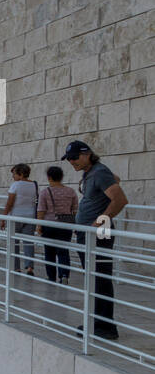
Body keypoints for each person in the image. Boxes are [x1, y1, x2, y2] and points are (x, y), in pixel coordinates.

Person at [64, 140, 127, 341]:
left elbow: (120, 200)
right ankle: (97, 321)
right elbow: (115, 180)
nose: (72, 161)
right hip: (89, 234)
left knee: (99, 279)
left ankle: (105, 327)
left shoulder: (99, 172)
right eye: (69, 159)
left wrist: (97, 223)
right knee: (93, 279)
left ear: (87, 154)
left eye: (75, 157)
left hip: (99, 235)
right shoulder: (93, 172)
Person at [36, 165, 78, 285]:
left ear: (49, 177)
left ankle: (51, 276)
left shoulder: (45, 192)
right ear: (61, 177)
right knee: (63, 250)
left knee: (49, 251)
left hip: (49, 224)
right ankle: (64, 275)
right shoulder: (71, 191)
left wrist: (38, 226)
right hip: (66, 225)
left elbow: (41, 210)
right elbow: (75, 209)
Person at [0, 163, 39, 276]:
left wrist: (3, 217)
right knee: (28, 242)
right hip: (30, 217)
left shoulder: (15, 185)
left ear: (20, 174)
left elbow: (9, 203)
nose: (13, 176)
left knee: (14, 242)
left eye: (14, 174)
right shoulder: (34, 185)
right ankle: (30, 267)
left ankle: (16, 268)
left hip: (15, 217)